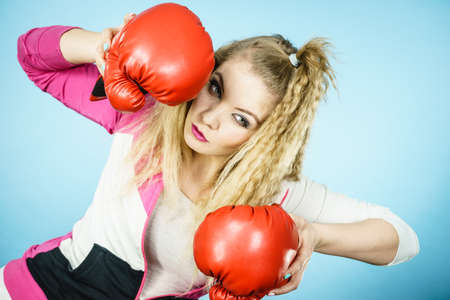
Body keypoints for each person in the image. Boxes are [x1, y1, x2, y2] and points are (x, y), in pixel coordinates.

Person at [0, 8, 420, 300]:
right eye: (216, 87)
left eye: (241, 119)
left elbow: (402, 239)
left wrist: (315, 236)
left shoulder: (275, 194)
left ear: (265, 137)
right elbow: (33, 56)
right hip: (36, 289)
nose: (211, 117)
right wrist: (102, 45)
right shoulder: (146, 116)